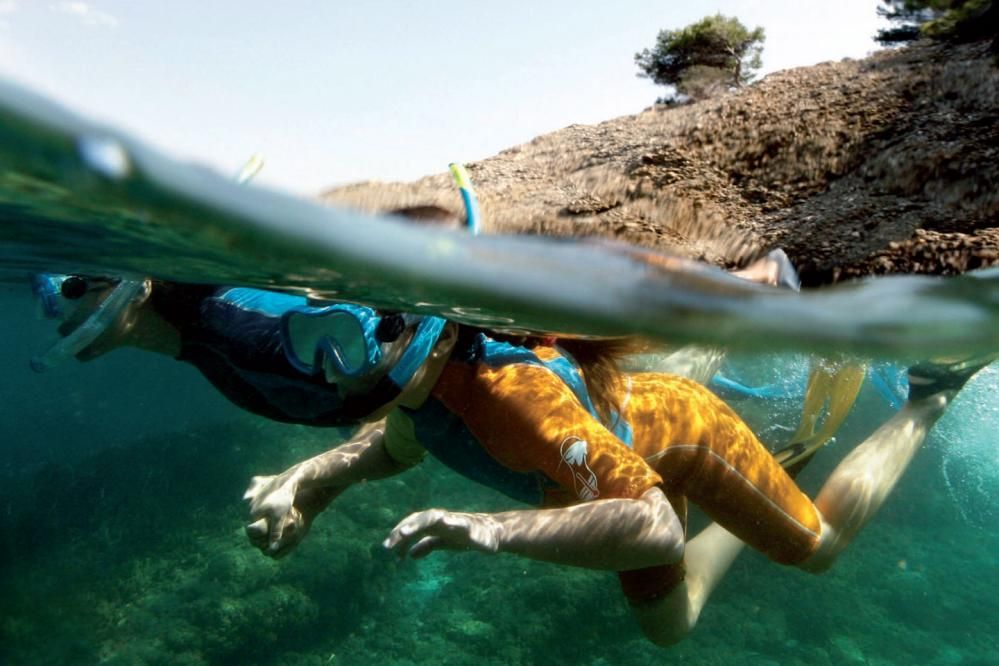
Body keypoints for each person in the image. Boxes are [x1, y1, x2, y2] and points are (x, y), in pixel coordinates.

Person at [28, 260, 994, 647]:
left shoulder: (498, 395)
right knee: (670, 629)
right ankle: (768, 455)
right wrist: (311, 484)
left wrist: (486, 531)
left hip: (676, 438)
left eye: (335, 349)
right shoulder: (404, 382)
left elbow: (653, 526)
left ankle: (927, 394)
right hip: (599, 460)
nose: (329, 373)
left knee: (816, 549)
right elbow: (393, 442)